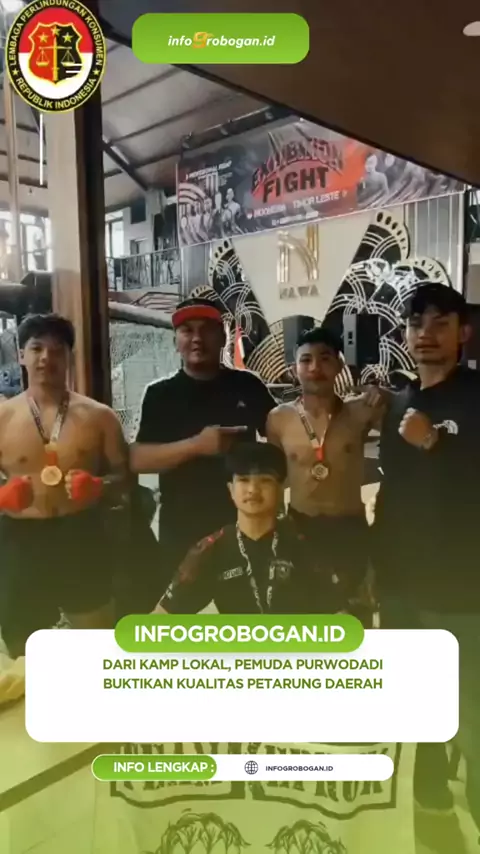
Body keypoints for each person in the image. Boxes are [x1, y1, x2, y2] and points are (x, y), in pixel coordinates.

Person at [372, 283, 478, 853]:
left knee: (470, 715)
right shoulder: (398, 403)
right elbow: (394, 492)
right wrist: (376, 566)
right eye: (416, 324)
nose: (426, 334)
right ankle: (433, 818)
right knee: (415, 711)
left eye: (440, 322)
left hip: (463, 591)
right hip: (401, 585)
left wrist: (437, 443)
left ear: (464, 332)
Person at [0, 313, 128, 657]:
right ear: (22, 354)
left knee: (96, 638)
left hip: (80, 533)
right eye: (37, 348)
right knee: (23, 645)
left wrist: (99, 487)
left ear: (70, 356)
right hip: (20, 538)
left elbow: (126, 480)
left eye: (57, 350)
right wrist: (2, 497)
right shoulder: (3, 418)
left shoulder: (100, 417)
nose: (46, 357)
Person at [130, 297, 276, 582]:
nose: (197, 338)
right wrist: (197, 445)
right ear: (176, 341)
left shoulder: (248, 386)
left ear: (222, 337)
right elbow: (138, 459)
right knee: (182, 607)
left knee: (245, 604)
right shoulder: (160, 394)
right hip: (181, 527)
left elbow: (283, 436)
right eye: (187, 331)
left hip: (244, 523)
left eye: (206, 330)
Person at [266, 326, 385, 607]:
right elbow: (273, 479)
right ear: (294, 368)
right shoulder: (279, 418)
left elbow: (401, 425)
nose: (315, 367)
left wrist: (383, 394)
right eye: (306, 360)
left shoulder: (361, 411)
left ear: (340, 365)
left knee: (353, 612)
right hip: (299, 527)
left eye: (325, 358)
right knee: (301, 612)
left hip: (349, 528)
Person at [155, 442, 332, 615]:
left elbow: (338, 617)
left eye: (265, 480)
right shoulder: (211, 550)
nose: (253, 489)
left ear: (281, 488)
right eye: (244, 480)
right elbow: (160, 619)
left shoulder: (303, 544)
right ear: (231, 489)